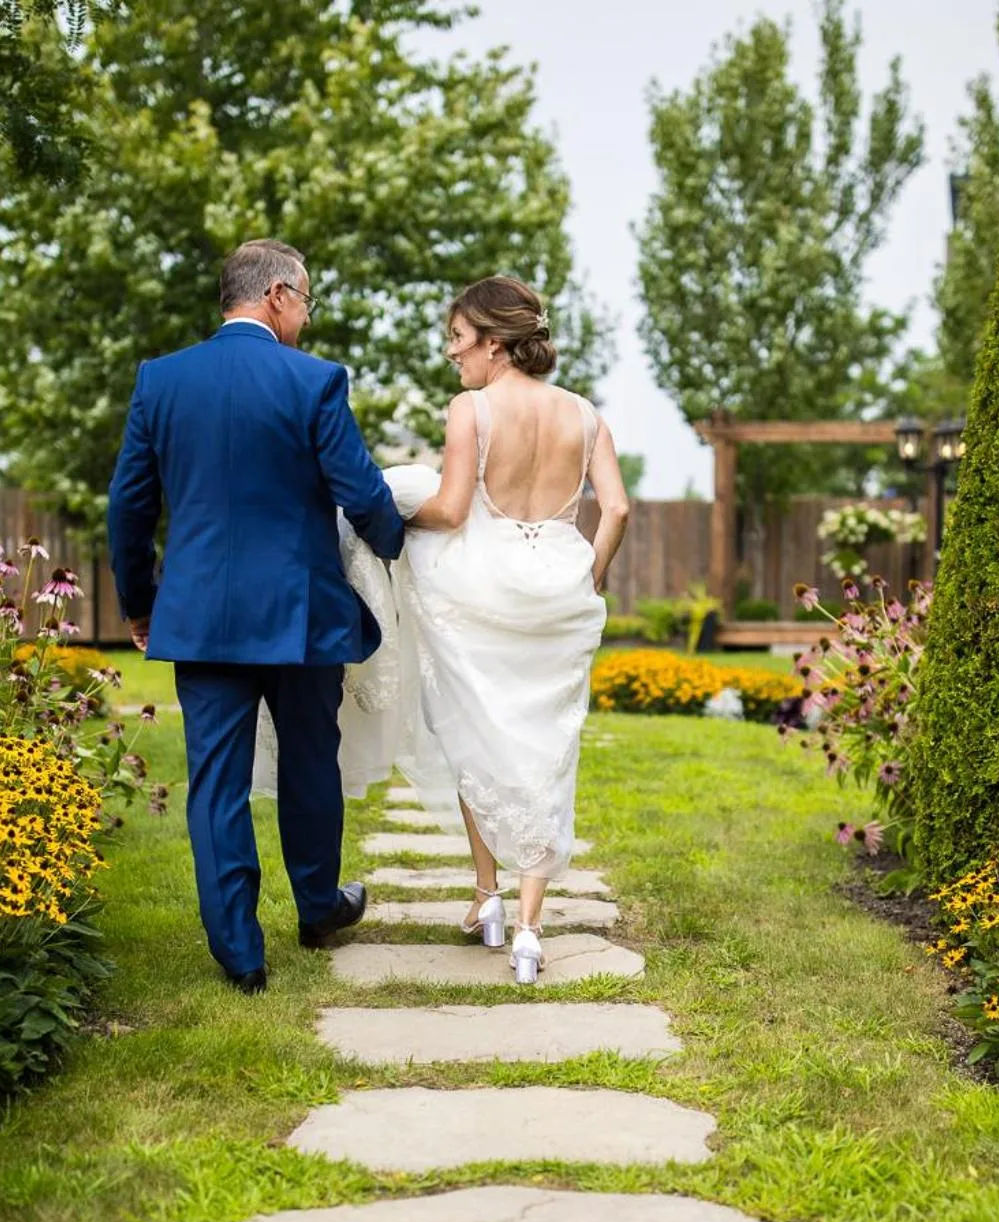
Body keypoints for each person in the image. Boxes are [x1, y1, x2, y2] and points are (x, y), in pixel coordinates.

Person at [107, 239, 405, 995]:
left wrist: (140, 603)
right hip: (300, 613)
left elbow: (130, 506)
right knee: (310, 762)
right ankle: (318, 906)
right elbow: (361, 492)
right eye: (306, 300)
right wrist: (400, 549)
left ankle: (240, 953)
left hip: (201, 616)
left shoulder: (161, 380)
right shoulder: (314, 380)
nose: (306, 317)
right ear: (276, 295)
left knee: (216, 782)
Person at [395, 275, 632, 984]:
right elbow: (616, 509)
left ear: (495, 343)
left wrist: (393, 507)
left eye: (458, 339)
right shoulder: (585, 414)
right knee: (547, 750)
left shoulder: (470, 409)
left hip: (484, 589)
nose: (451, 353)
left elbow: (451, 510)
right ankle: (529, 929)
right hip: (559, 591)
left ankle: (487, 895)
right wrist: (591, 577)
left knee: (475, 733)